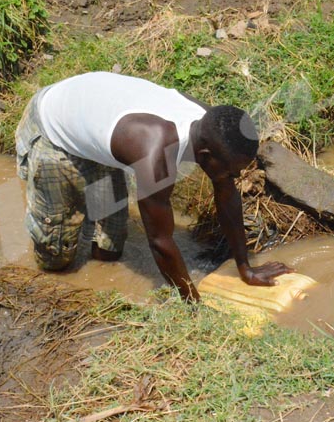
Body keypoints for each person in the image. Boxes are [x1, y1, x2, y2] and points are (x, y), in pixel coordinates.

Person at [15, 71, 293, 301]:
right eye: (232, 171)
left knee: (109, 251)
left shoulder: (212, 124)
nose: (235, 177)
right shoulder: (154, 155)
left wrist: (245, 267)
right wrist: (192, 303)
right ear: (206, 157)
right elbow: (160, 241)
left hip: (94, 119)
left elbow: (226, 192)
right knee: (56, 259)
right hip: (53, 128)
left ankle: (85, 206)